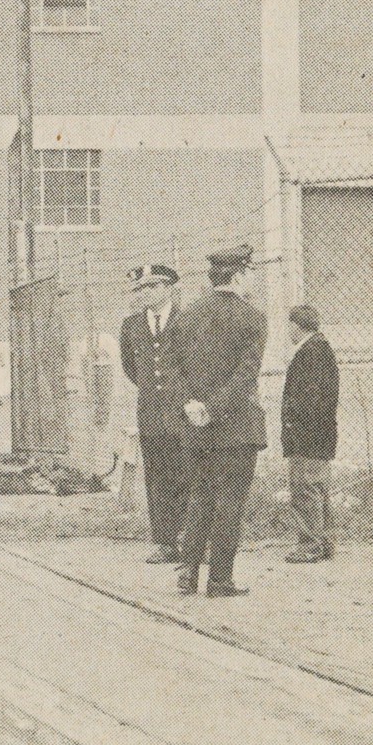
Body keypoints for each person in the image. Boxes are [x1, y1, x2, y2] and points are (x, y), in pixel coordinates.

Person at [171, 245, 268, 597]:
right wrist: (213, 407)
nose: (252, 278)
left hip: (195, 427)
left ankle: (188, 573)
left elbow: (173, 369)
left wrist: (191, 405)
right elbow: (246, 374)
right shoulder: (252, 317)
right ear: (239, 275)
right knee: (230, 502)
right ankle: (220, 579)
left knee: (200, 497)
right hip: (236, 428)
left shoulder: (187, 315)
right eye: (251, 272)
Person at [118, 263, 186, 564]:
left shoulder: (186, 320)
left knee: (188, 474)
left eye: (151, 287)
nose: (145, 293)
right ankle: (166, 542)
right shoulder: (131, 326)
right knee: (158, 477)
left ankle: (193, 539)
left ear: (168, 288)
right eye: (141, 289)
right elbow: (132, 369)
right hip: (150, 414)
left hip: (182, 413)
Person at [280, 304, 339, 564]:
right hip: (319, 434)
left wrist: (296, 427)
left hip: (308, 435)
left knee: (305, 489)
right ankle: (324, 541)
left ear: (295, 325)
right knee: (319, 488)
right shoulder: (320, 347)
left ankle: (309, 545)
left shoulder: (310, 352)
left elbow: (310, 398)